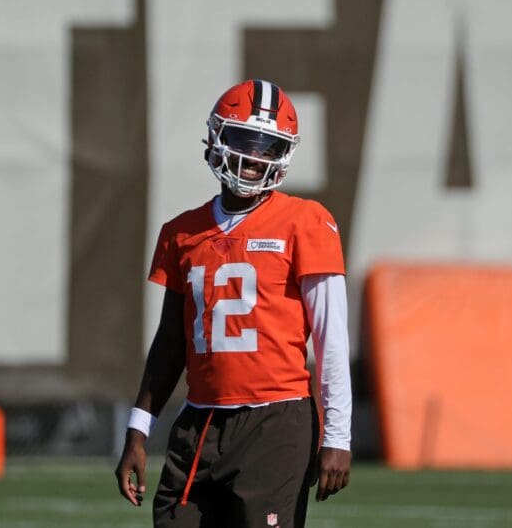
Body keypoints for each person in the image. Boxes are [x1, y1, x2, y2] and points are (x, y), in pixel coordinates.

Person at [114, 79, 352, 527]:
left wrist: (338, 435)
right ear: (216, 138)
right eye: (244, 140)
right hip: (198, 422)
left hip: (276, 421)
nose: (252, 158)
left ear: (283, 155)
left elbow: (331, 339)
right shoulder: (182, 232)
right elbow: (170, 342)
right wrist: (139, 427)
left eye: (268, 146)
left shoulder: (306, 222)